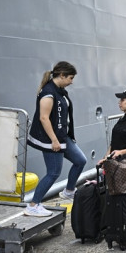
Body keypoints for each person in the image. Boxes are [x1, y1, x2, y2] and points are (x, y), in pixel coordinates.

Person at [25, 62, 87, 217]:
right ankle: (33, 205)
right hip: (51, 138)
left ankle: (69, 191)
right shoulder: (48, 93)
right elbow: (44, 118)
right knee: (53, 172)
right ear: (62, 75)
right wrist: (54, 140)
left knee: (80, 160)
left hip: (62, 136)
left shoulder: (60, 91)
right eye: (71, 78)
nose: (72, 81)